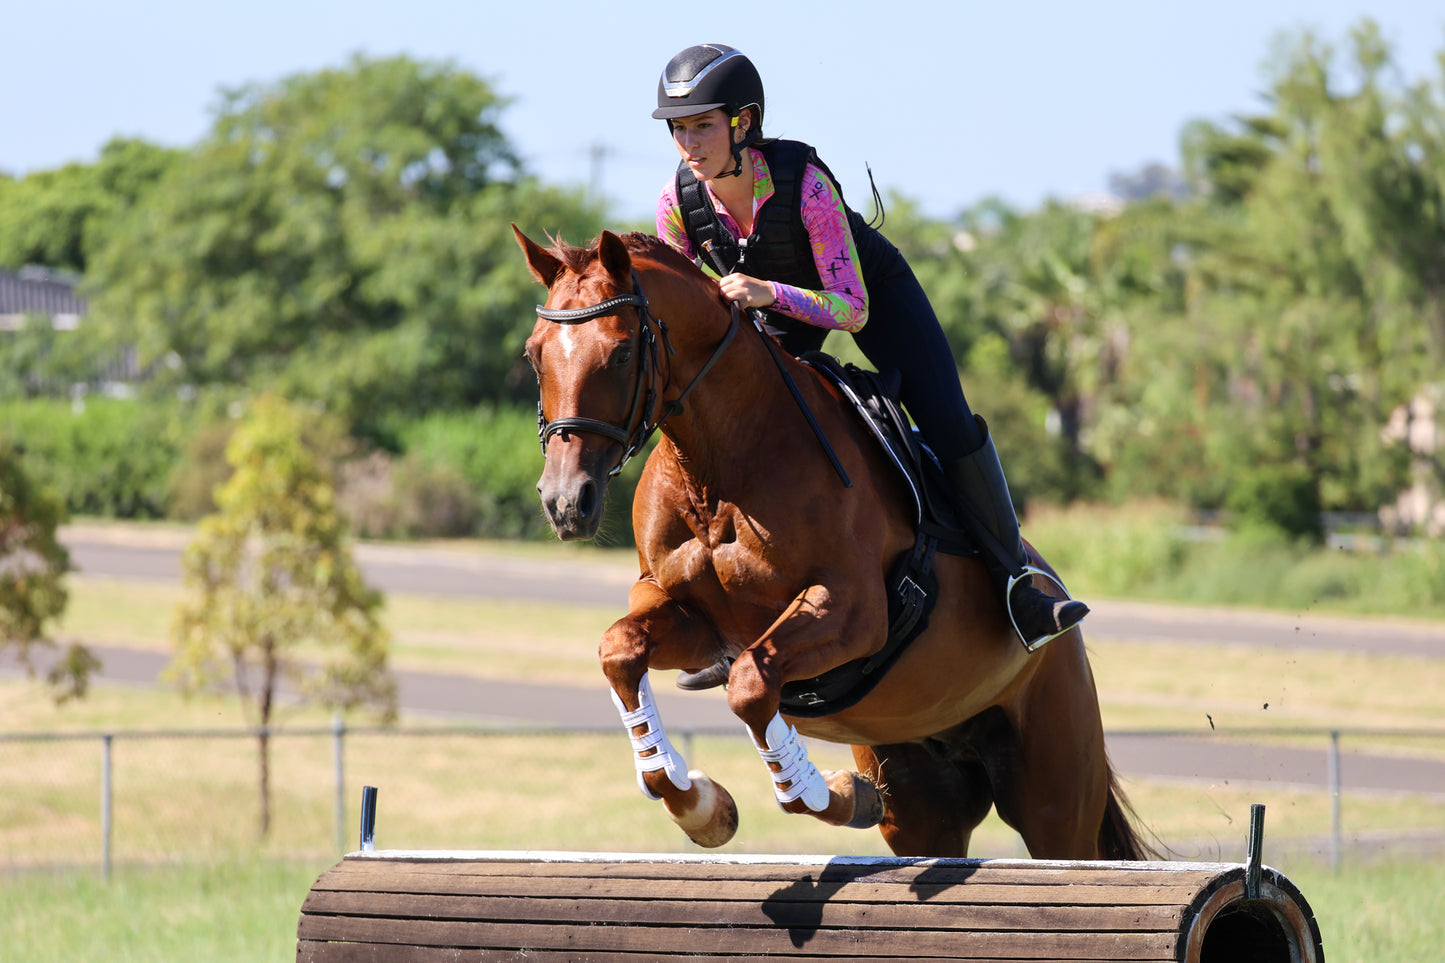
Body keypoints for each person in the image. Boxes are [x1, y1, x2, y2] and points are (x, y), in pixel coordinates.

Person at [650, 43, 1087, 665]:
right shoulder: (676, 206)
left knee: (946, 419)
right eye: (679, 129)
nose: (689, 144)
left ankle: (1018, 584)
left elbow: (851, 308)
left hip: (869, 295)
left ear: (743, 124)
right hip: (771, 315)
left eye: (703, 126)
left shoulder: (806, 185)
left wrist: (765, 292)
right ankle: (731, 621)